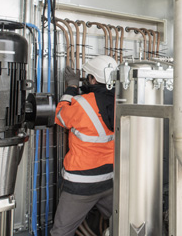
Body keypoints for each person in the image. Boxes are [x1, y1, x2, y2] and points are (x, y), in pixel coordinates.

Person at [50, 55, 118, 236]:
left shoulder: (82, 103)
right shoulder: (122, 102)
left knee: (61, 232)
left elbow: (60, 116)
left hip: (81, 184)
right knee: (124, 222)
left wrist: (71, 87)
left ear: (93, 79)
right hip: (110, 181)